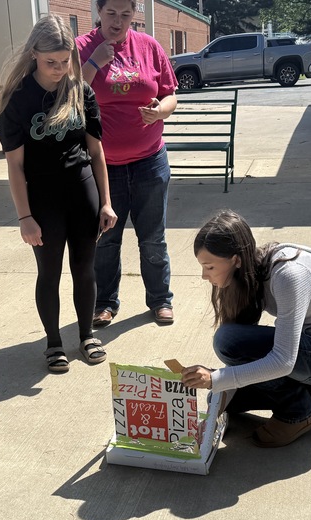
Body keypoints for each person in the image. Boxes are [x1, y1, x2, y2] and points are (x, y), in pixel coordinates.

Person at [0, 14, 117, 373]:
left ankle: (86, 335)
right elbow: (15, 166)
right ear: (34, 53)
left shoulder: (82, 92)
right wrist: (24, 217)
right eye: (51, 62)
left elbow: (96, 153)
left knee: (85, 268)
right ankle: (53, 343)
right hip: (43, 199)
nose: (60, 69)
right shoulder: (18, 99)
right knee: (48, 273)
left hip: (83, 192)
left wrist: (106, 202)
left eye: (66, 62)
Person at [180, 211, 311, 448]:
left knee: (227, 342)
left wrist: (215, 378)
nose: (204, 276)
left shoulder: (289, 274)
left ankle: (300, 412)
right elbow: (248, 354)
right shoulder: (249, 271)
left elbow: (283, 361)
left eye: (210, 267)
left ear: (236, 259)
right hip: (308, 349)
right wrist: (219, 386)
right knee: (227, 399)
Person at [77, 0, 179, 328]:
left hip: (150, 161)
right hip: (104, 166)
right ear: (98, 12)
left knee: (153, 237)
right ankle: (105, 303)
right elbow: (68, 96)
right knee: (107, 239)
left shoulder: (149, 47)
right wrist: (93, 63)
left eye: (125, 14)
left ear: (134, 14)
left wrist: (162, 111)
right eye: (111, 13)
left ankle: (160, 300)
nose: (118, 21)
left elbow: (170, 93)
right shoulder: (81, 48)